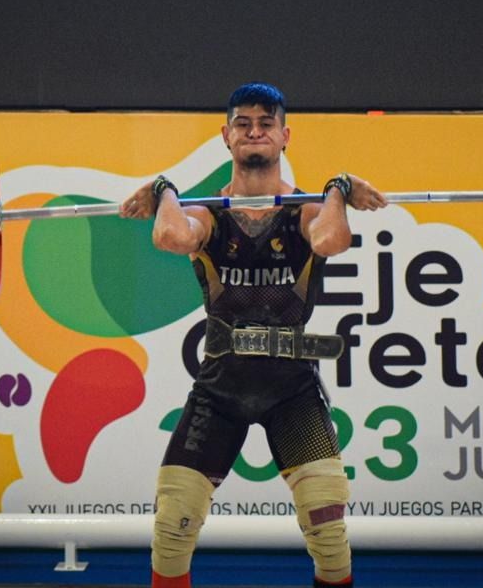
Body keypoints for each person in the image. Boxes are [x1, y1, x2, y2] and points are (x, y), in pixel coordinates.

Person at [120, 82, 387, 588]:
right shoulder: (207, 213)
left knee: (328, 532)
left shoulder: (307, 209)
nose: (255, 131)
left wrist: (336, 188)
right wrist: (164, 190)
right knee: (171, 526)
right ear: (226, 136)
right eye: (243, 124)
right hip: (220, 388)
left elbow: (332, 239)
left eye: (266, 123)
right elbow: (171, 237)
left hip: (293, 391)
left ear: (286, 135)